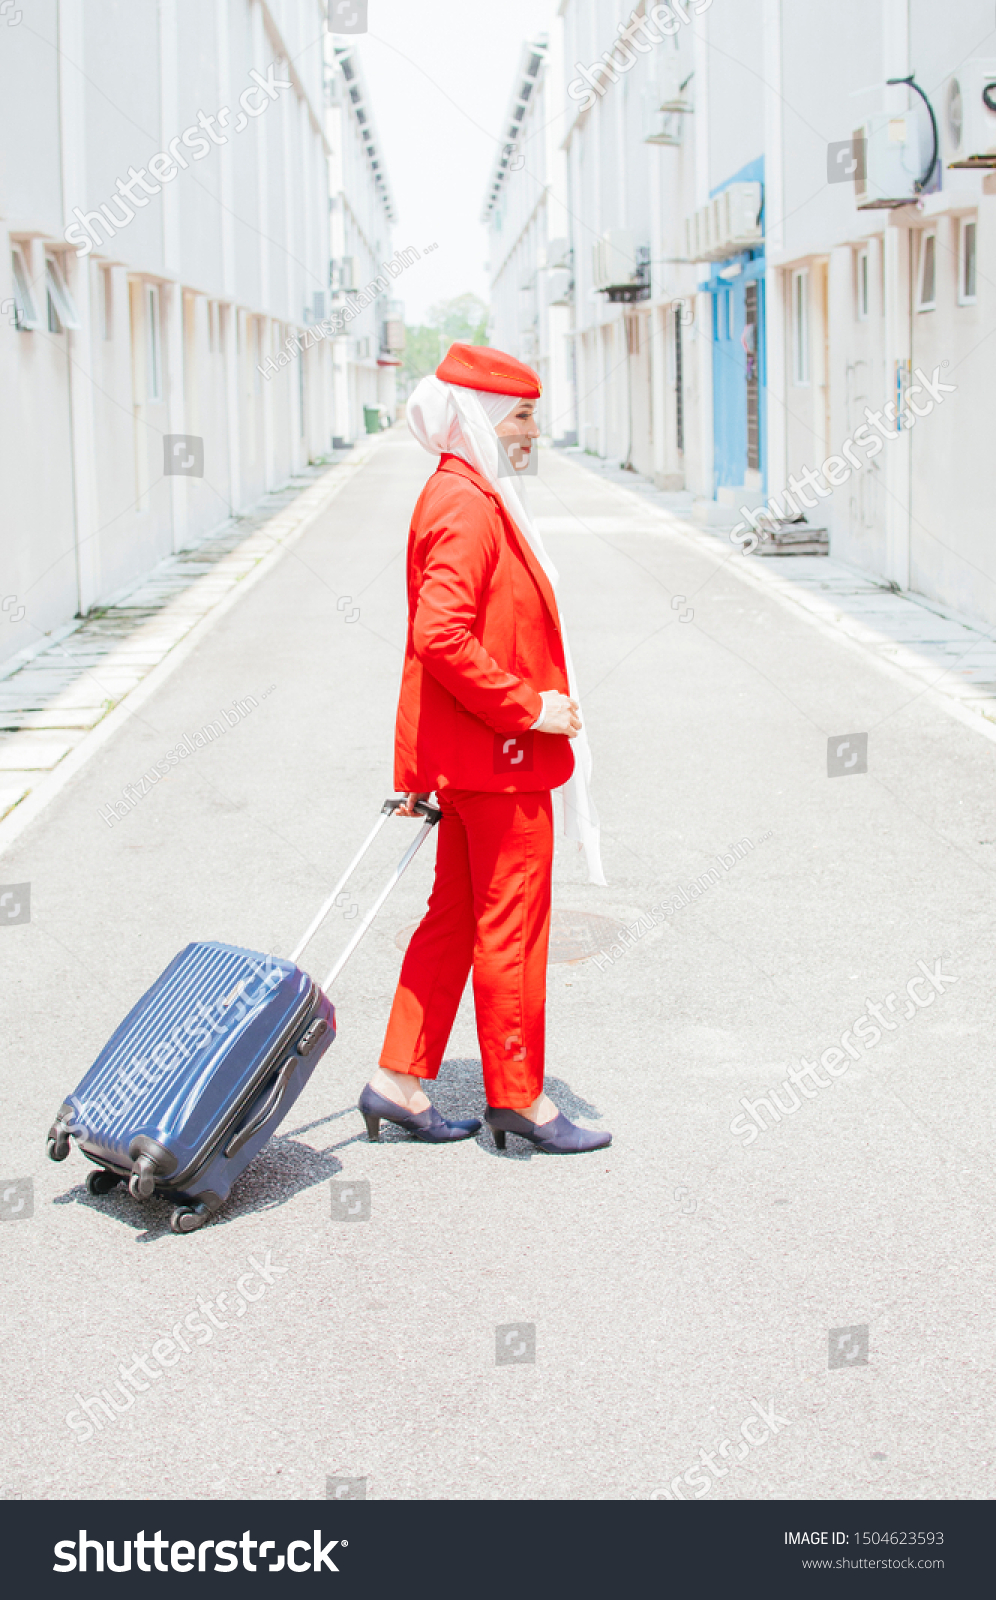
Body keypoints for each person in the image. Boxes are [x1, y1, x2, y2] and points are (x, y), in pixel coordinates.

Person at [358, 343, 611, 1155]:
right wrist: (527, 708)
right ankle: (520, 1100)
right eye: (523, 416)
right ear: (481, 416)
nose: (534, 431)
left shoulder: (460, 491)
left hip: (471, 761)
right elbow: (440, 636)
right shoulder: (468, 503)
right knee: (512, 926)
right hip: (498, 762)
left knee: (457, 918)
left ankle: (398, 1080)